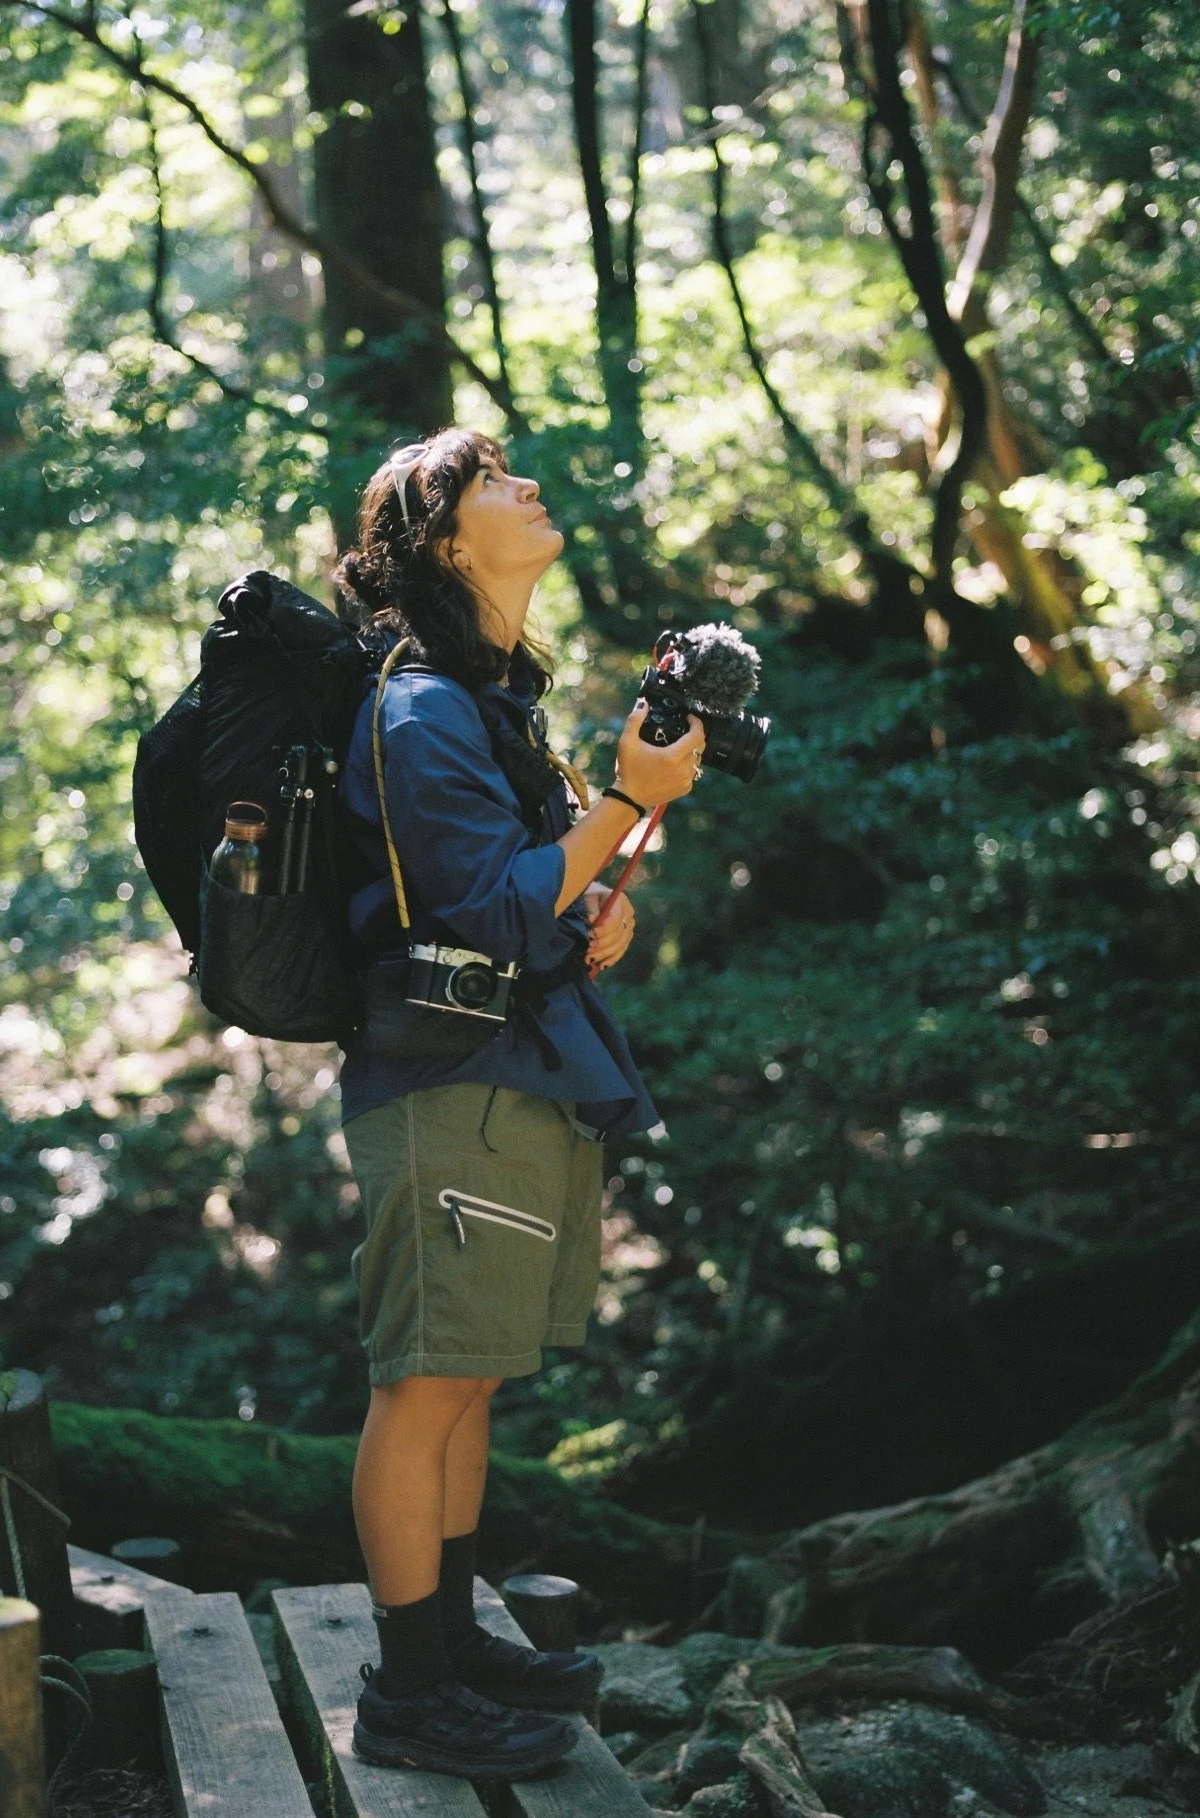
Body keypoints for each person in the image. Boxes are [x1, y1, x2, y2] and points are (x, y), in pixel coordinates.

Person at [329, 426, 706, 1779]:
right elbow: (489, 910)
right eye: (491, 480)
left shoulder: (484, 703)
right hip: (447, 1089)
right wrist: (624, 801)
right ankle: (408, 1690)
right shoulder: (418, 709)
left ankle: (449, 1645)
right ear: (442, 543)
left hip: (510, 1076)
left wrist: (602, 890)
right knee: (423, 1382)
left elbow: (530, 901)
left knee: (470, 1376)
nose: (527, 484)